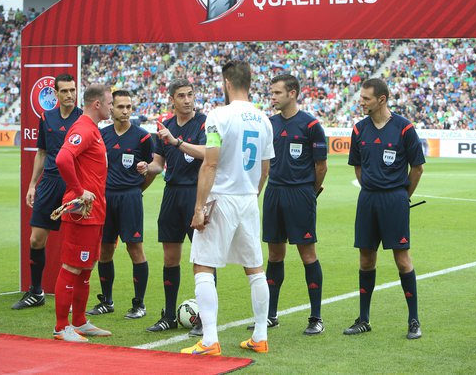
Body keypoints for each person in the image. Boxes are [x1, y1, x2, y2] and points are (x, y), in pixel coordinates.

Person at [180, 60, 274, 356]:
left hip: (221, 197)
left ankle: (209, 340)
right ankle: (260, 336)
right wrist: (251, 195)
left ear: (227, 83)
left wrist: (198, 208)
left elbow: (210, 162)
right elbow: (265, 168)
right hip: (248, 197)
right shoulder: (264, 120)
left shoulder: (219, 115)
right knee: (255, 268)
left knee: (203, 264)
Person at [345, 78, 425, 340]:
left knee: (402, 260)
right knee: (366, 259)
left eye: (366, 98)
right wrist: (368, 184)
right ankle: (364, 319)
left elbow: (417, 168)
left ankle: (413, 320)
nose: (361, 102)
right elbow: (357, 166)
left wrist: (403, 196)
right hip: (367, 200)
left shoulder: (404, 128)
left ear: (382, 99)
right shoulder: (359, 129)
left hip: (394, 201)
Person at [254, 74, 327, 335]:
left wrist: (310, 193)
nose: (272, 97)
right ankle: (271, 315)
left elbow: (321, 166)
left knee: (307, 254)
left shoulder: (311, 126)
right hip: (275, 192)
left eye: (276, 93)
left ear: (292, 93)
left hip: (300, 194)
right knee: (274, 255)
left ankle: (316, 317)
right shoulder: (269, 124)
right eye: (271, 92)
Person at [137, 79, 207, 335]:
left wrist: (176, 141)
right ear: (172, 100)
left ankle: (206, 318)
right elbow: (158, 164)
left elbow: (206, 153)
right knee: (170, 257)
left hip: (195, 193)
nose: (187, 100)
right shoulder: (164, 126)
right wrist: (148, 168)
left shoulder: (203, 123)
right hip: (172, 192)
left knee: (203, 258)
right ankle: (168, 316)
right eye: (182, 96)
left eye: (190, 94)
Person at [12, 74, 82, 310]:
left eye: (72, 90)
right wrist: (33, 184)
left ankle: (74, 296)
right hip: (49, 183)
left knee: (74, 243)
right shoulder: (46, 117)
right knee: (36, 239)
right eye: (64, 91)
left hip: (73, 185)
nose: (70, 95)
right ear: (56, 93)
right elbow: (41, 153)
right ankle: (36, 291)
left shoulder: (83, 118)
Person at [52, 85, 113, 342]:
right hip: (83, 213)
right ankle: (61, 327)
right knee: (72, 266)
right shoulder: (84, 129)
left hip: (95, 211)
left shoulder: (92, 129)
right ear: (97, 104)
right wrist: (79, 190)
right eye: (110, 102)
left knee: (86, 267)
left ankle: (79, 321)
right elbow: (62, 159)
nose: (112, 106)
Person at [86, 90, 154, 319]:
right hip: (105, 198)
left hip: (130, 199)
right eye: (120, 106)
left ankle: (139, 304)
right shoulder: (100, 134)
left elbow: (151, 167)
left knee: (135, 249)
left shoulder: (143, 137)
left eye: (129, 107)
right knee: (104, 250)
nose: (125, 111)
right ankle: (106, 301)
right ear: (111, 108)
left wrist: (136, 189)